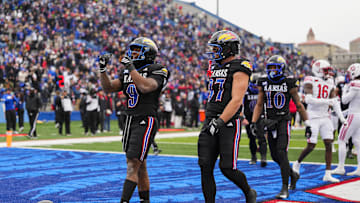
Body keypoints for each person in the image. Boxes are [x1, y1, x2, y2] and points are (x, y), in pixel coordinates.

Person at [99, 37, 170, 203]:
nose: (132, 53)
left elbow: (146, 87)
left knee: (133, 163)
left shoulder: (158, 69)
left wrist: (130, 68)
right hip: (129, 120)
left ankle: (124, 201)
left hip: (146, 119)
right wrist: (103, 69)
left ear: (147, 53)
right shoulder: (128, 72)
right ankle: (145, 201)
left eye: (137, 50)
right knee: (140, 164)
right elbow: (108, 87)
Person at [198, 30, 256, 203]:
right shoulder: (215, 67)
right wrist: (212, 120)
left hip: (228, 121)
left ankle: (248, 192)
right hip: (210, 119)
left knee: (227, 167)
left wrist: (220, 121)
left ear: (228, 48)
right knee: (205, 166)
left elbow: (237, 100)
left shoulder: (241, 66)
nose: (214, 53)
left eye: (217, 49)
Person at [251, 55, 310, 199]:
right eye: (270, 68)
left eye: (275, 68)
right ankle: (293, 174)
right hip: (270, 122)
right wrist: (254, 122)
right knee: (275, 156)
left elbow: (298, 104)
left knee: (282, 153)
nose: (272, 71)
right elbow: (259, 104)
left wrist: (307, 123)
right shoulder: (263, 82)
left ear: (282, 68)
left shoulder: (289, 82)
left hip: (283, 121)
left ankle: (284, 188)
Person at [292, 59, 347, 183]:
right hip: (313, 116)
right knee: (311, 145)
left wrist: (341, 117)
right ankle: (297, 163)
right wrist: (327, 102)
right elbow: (309, 100)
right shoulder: (310, 80)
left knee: (329, 143)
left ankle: (327, 173)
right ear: (317, 70)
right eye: (325, 70)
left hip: (325, 116)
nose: (328, 73)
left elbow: (335, 101)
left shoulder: (330, 82)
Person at [332, 63, 360, 176]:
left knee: (341, 139)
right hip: (358, 114)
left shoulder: (354, 84)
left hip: (354, 115)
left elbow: (344, 100)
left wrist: (345, 89)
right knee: (357, 142)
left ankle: (341, 167)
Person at [243, 73, 267, 167]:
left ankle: (263, 157)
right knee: (251, 138)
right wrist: (243, 117)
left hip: (260, 117)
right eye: (254, 86)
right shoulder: (246, 90)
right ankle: (253, 157)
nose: (255, 88)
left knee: (262, 138)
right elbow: (241, 104)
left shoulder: (263, 91)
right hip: (249, 117)